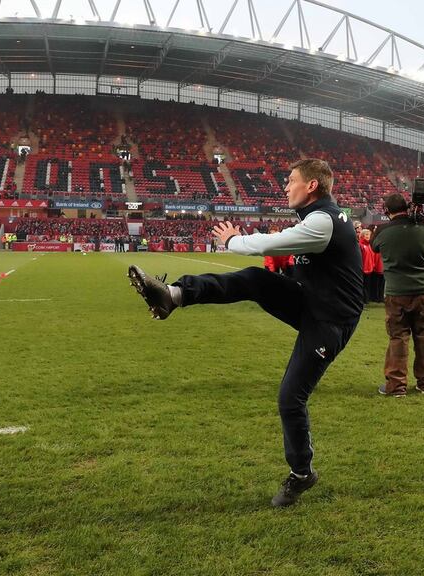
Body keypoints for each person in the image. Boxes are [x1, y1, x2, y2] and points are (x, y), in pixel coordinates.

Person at [127, 159, 362, 507]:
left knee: (290, 398)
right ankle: (173, 296)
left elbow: (269, 244)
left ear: (312, 186)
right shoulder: (320, 217)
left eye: (291, 180)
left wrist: (235, 239)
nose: (286, 187)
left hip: (330, 320)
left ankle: (302, 474)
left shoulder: (323, 221)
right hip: (310, 302)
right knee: (253, 279)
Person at [371, 193, 424, 397]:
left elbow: (374, 246)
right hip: (423, 291)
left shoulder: (382, 230)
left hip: (396, 292)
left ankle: (396, 385)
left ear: (387, 210)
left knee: (398, 337)